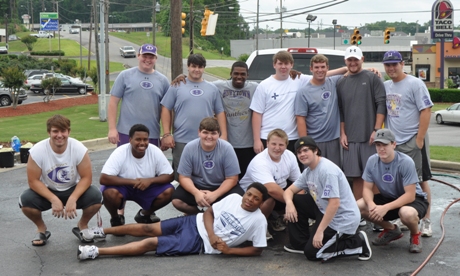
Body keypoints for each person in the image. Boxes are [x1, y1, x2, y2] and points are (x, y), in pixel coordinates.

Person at [77, 183, 268, 260]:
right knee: (148, 227)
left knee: (151, 243)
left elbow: (257, 249)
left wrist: (229, 250)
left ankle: (96, 251)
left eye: (255, 198)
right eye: (249, 194)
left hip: (198, 243)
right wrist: (212, 234)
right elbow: (210, 212)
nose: (249, 199)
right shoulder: (235, 198)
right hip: (194, 222)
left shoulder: (259, 221)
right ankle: (101, 232)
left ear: (261, 203)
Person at [283, 136, 371, 262]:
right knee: (296, 200)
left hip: (342, 219)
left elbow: (334, 204)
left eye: (306, 150)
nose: (302, 154)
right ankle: (301, 243)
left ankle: (357, 243)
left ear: (315, 151)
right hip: (325, 211)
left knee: (312, 254)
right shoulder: (309, 171)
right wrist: (289, 204)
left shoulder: (327, 170)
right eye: (299, 152)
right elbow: (289, 191)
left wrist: (320, 231)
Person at [19, 115, 102, 246]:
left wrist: (73, 198)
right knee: (25, 201)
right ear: (49, 132)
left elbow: (86, 178)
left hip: (73, 188)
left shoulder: (78, 148)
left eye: (63, 131)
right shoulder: (37, 151)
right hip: (48, 190)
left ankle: (82, 225)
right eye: (55, 131)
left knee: (96, 197)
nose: (59, 135)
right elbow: (33, 181)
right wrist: (53, 199)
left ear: (68, 132)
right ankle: (41, 229)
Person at [171, 62, 258, 179]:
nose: (239, 76)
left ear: (248, 75)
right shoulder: (218, 86)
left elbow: (272, 83)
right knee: (223, 177)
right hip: (225, 143)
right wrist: (182, 77)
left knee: (245, 178)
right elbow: (199, 81)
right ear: (230, 73)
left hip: (247, 143)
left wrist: (291, 74)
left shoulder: (255, 87)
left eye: (243, 74)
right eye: (236, 73)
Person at [251, 50, 347, 157]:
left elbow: (319, 74)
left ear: (291, 65)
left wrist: (345, 69)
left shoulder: (298, 79)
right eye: (280, 63)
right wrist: (256, 139)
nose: (283, 67)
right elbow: (257, 113)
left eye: (286, 63)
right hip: (269, 138)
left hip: (292, 137)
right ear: (274, 65)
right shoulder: (264, 85)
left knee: (293, 171)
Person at [382, 50, 434, 237]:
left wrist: (419, 139)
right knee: (402, 183)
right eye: (388, 65)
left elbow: (426, 110)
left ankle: (426, 220)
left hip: (412, 140)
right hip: (394, 143)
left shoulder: (415, 83)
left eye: (395, 64)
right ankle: (406, 217)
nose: (391, 68)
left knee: (421, 180)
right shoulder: (386, 85)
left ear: (402, 64)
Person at [357, 129, 428, 253]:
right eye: (378, 145)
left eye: (385, 145)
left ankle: (415, 235)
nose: (381, 148)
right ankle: (391, 230)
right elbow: (367, 189)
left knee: (407, 214)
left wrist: (385, 208)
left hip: (412, 199)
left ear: (394, 145)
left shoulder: (405, 162)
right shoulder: (372, 161)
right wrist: (372, 205)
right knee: (359, 206)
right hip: (389, 197)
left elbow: (410, 195)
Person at [161, 54, 226, 180]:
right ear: (188, 67)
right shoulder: (176, 86)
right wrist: (167, 134)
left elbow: (220, 112)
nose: (197, 70)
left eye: (200, 67)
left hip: (207, 139)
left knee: (205, 175)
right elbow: (165, 108)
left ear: (204, 68)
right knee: (181, 176)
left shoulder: (212, 88)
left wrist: (223, 135)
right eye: (193, 66)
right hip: (181, 140)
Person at [336, 45, 387, 202]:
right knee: (356, 177)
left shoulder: (373, 78)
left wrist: (376, 130)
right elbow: (342, 111)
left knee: (374, 177)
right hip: (350, 140)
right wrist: (343, 134)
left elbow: (381, 104)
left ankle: (378, 213)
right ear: (345, 61)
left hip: (369, 138)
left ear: (362, 60)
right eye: (350, 60)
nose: (353, 63)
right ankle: (360, 214)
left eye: (356, 60)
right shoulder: (341, 83)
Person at [99, 124, 174, 227]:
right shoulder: (120, 152)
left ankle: (144, 215)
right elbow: (104, 178)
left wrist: (150, 181)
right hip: (124, 186)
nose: (142, 143)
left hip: (147, 186)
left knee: (169, 191)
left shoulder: (155, 151)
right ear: (130, 140)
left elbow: (170, 175)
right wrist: (133, 182)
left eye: (145, 139)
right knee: (109, 192)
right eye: (138, 139)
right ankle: (115, 218)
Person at [171, 117, 243, 215]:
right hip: (197, 186)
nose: (209, 137)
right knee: (177, 201)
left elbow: (232, 178)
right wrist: (196, 193)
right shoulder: (190, 148)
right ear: (199, 132)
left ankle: (217, 217)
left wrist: (215, 194)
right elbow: (184, 177)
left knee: (240, 201)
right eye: (205, 132)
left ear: (219, 134)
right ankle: (200, 216)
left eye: (213, 133)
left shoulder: (227, 148)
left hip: (220, 185)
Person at [239, 129, 301, 238]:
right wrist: (293, 204)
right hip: (251, 195)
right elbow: (271, 189)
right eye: (273, 144)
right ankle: (258, 228)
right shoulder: (260, 162)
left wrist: (303, 202)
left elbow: (299, 183)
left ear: (286, 145)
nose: (277, 148)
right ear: (267, 143)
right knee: (270, 198)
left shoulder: (290, 156)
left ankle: (276, 217)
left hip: (279, 191)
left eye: (281, 144)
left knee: (301, 193)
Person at [107, 44, 169, 147]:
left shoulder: (163, 81)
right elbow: (113, 103)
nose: (147, 60)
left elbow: (166, 109)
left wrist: (166, 134)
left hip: (151, 134)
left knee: (150, 163)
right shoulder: (125, 76)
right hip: (126, 133)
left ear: (156, 59)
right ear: (138, 56)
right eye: (144, 56)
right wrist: (112, 129)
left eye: (151, 57)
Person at [295, 54, 343, 167]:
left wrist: (371, 69)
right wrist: (305, 144)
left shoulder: (334, 82)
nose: (320, 70)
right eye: (316, 67)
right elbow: (300, 118)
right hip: (314, 141)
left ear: (328, 68)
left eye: (322, 67)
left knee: (332, 173)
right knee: (313, 175)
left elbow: (352, 71)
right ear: (311, 69)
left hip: (333, 140)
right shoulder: (303, 91)